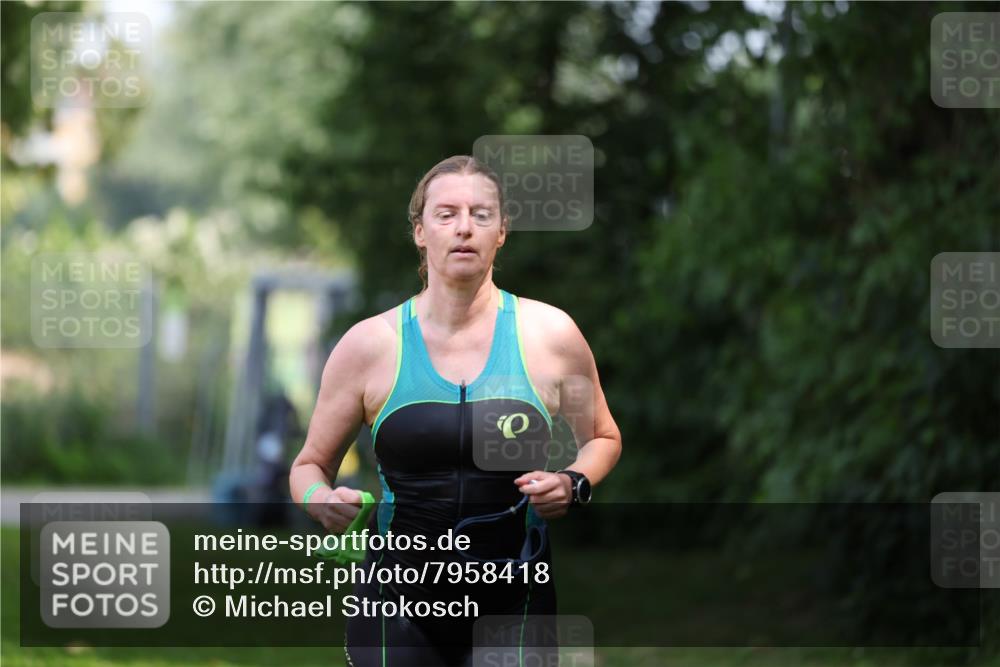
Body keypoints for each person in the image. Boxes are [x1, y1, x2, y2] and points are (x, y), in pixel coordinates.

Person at [289, 155, 622, 666]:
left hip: (513, 601)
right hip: (397, 604)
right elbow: (308, 465)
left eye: (481, 214)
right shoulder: (370, 345)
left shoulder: (550, 336)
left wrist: (573, 482)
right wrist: (319, 499)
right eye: (446, 214)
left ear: (502, 231)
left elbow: (602, 437)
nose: (464, 227)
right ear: (420, 231)